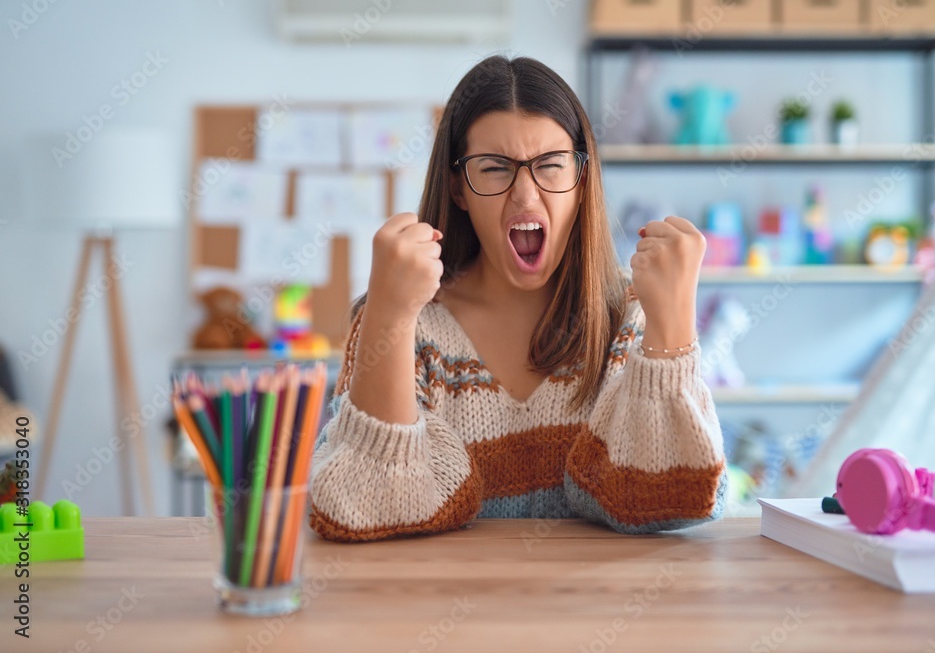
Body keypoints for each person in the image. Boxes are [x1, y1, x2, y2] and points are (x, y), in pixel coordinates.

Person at [308, 55, 726, 542]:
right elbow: (362, 507)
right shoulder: (408, 326)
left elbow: (673, 500)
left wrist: (674, 322)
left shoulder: (630, 321)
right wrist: (389, 315)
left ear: (582, 179)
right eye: (494, 168)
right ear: (457, 188)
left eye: (550, 166)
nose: (526, 198)